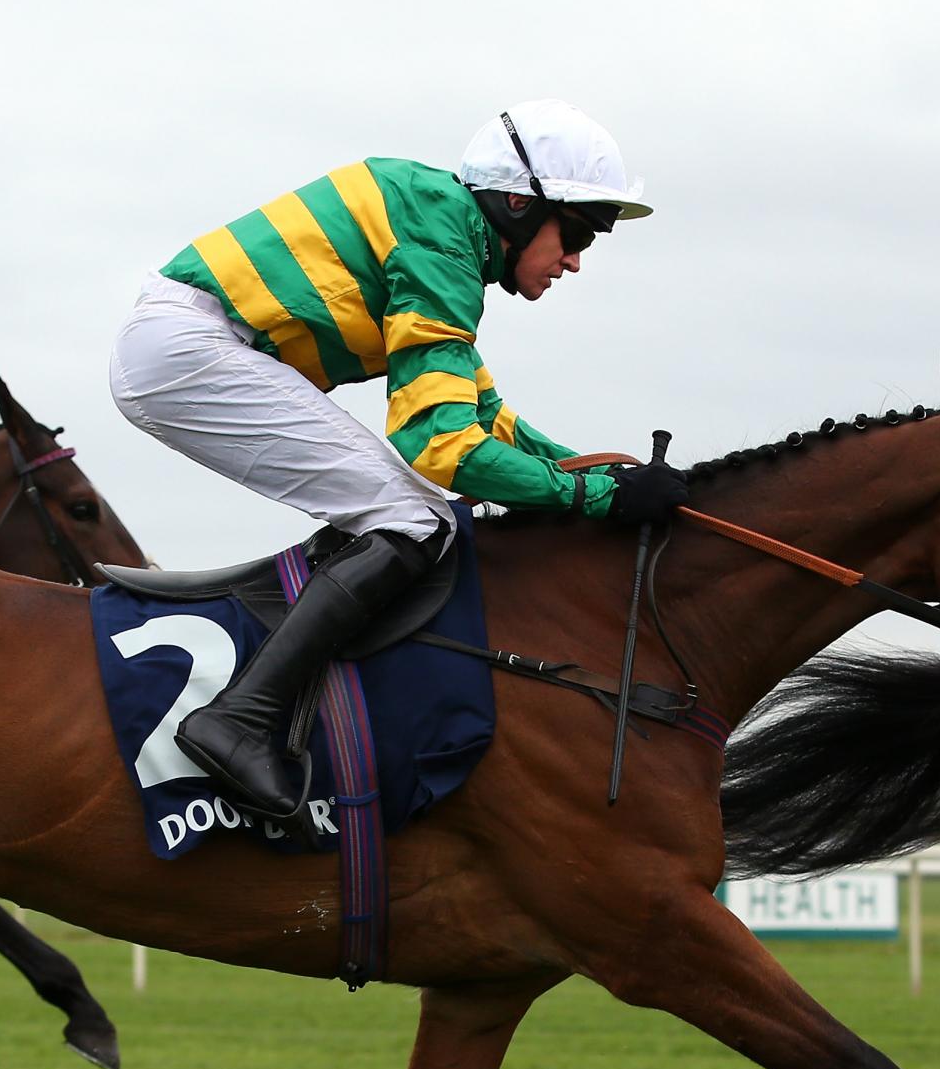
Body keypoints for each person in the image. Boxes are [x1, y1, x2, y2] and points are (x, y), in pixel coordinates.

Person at [109, 100, 686, 818]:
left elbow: (485, 418)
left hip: (185, 345)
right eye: (577, 234)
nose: (573, 260)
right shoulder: (440, 238)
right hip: (189, 349)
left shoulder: (442, 226)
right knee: (415, 517)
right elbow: (441, 447)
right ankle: (241, 719)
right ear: (515, 204)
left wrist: (600, 476)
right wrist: (596, 501)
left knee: (415, 510)